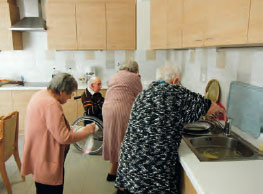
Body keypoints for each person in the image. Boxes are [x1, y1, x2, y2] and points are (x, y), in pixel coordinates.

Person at [115, 64, 226, 194]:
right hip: (152, 169)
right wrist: (222, 111)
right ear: (175, 81)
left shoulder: (144, 93)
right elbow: (208, 106)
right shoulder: (176, 93)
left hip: (130, 162)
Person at [21, 73, 95, 194]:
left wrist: (67, 127)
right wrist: (87, 131)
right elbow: (64, 137)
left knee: (41, 187)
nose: (70, 97)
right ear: (61, 91)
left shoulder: (41, 94)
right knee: (50, 189)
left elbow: (48, 125)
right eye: (70, 93)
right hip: (46, 157)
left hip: (38, 153)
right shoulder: (51, 104)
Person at [102, 60, 143, 182]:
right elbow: (140, 97)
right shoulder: (134, 77)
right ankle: (123, 175)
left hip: (107, 109)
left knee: (114, 139)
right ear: (135, 70)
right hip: (122, 110)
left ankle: (112, 172)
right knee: (125, 141)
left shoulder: (115, 76)